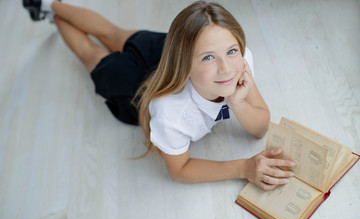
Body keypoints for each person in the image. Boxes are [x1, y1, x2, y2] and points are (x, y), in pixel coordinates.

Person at [23, 0, 295, 190]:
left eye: (231, 51)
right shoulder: (171, 113)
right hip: (135, 91)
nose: (226, 68)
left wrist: (237, 102)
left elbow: (260, 127)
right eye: (209, 56)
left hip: (165, 57)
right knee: (92, 52)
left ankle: (47, 2)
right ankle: (52, 9)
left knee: (113, 33)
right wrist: (243, 168)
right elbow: (179, 169)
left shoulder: (240, 64)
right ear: (183, 59)